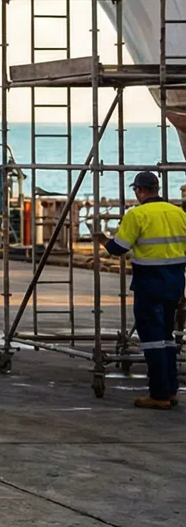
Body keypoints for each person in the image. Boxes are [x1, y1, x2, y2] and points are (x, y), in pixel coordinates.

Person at [107, 170, 184, 409]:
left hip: (149, 283)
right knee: (167, 337)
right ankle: (170, 390)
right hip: (174, 282)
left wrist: (103, 240)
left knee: (151, 338)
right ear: (156, 189)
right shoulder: (179, 213)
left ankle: (158, 394)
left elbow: (118, 248)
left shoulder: (136, 215)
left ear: (139, 191)